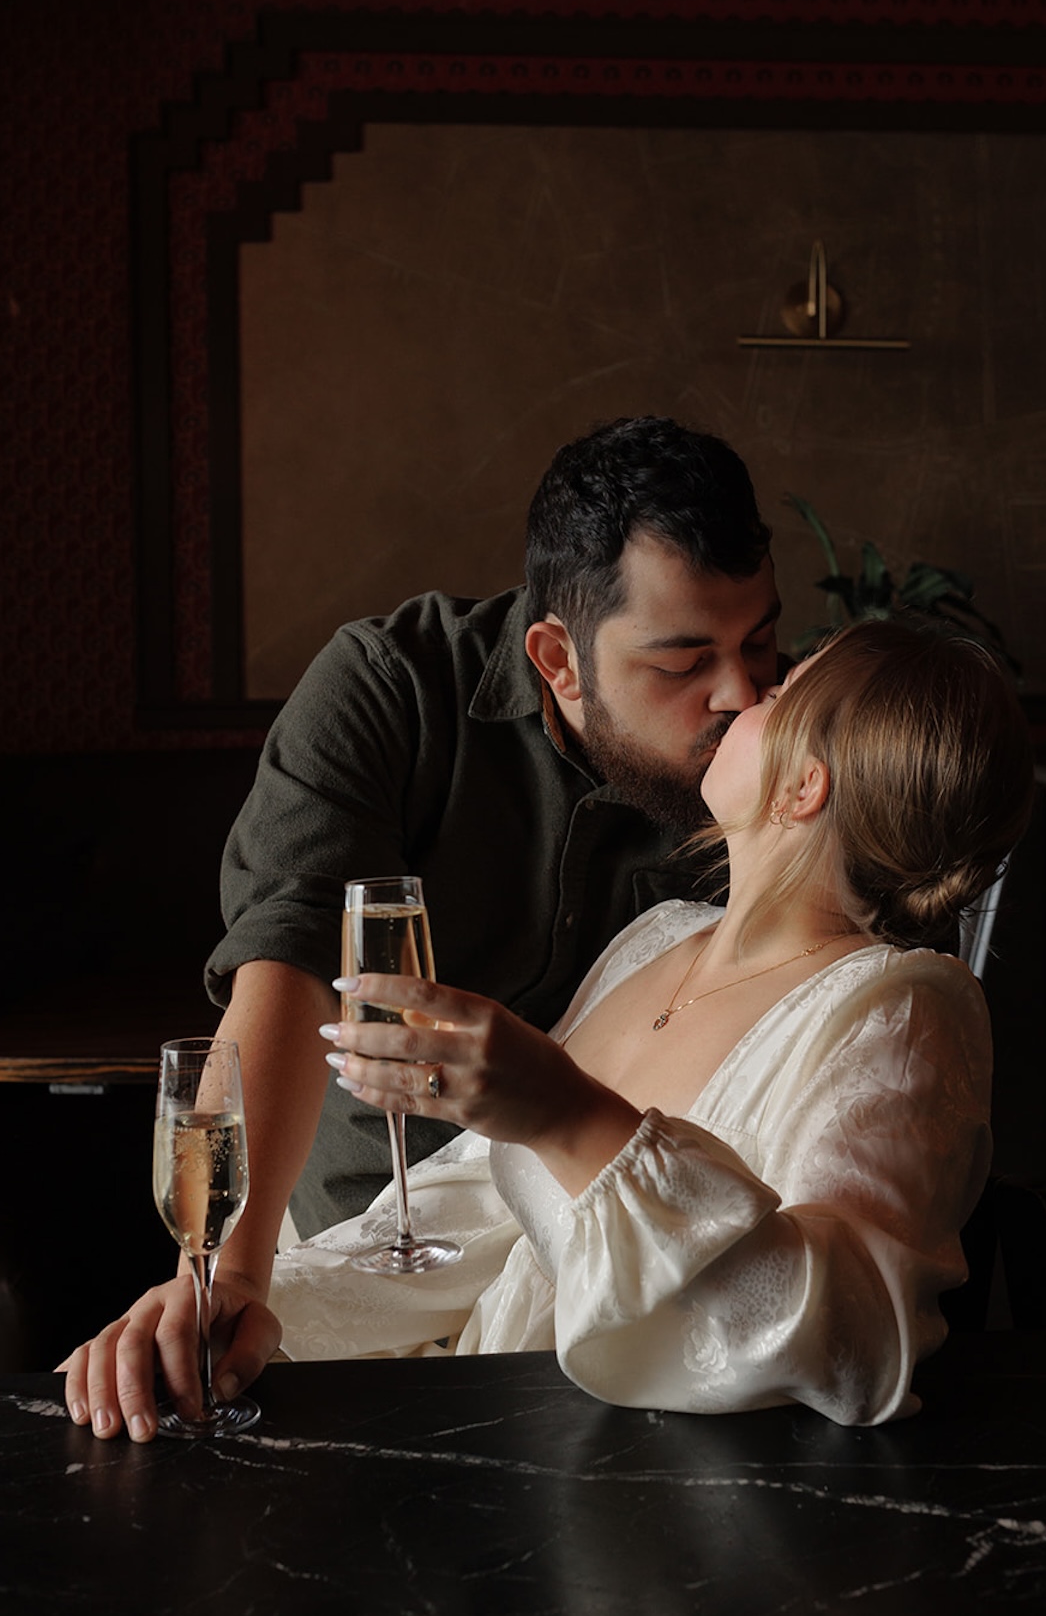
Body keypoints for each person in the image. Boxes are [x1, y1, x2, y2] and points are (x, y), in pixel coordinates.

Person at [61, 415, 780, 1440]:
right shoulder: (388, 686)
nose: (741, 695)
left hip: (617, 1262)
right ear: (557, 659)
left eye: (759, 643)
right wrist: (228, 1275)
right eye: (684, 662)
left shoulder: (771, 747)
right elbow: (286, 968)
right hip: (358, 1242)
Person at [264, 615, 1035, 1422]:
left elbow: (843, 1337)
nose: (742, 699)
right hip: (498, 1416)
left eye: (778, 693)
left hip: (654, 1473)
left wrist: (571, 1117)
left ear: (804, 785)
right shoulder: (654, 940)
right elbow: (476, 1213)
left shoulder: (900, 1008)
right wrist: (255, 1305)